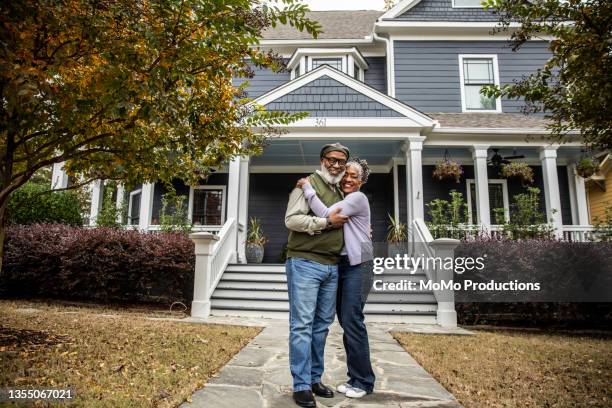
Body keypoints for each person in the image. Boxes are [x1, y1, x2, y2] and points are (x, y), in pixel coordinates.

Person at [296, 157, 375, 399]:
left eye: (354, 176)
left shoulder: (357, 198)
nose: (348, 179)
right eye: (346, 175)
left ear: (361, 182)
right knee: (346, 321)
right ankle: (356, 378)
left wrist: (308, 189)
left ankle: (363, 381)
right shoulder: (345, 198)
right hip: (344, 264)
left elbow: (328, 214)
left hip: (359, 264)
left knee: (352, 321)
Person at [284, 143, 350, 408]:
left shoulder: (339, 190)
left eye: (341, 162)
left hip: (331, 266)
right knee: (302, 325)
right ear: (322, 160)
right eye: (332, 160)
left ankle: (313, 379)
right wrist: (324, 223)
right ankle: (300, 385)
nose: (336, 165)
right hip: (304, 262)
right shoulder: (307, 184)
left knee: (322, 326)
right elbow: (291, 220)